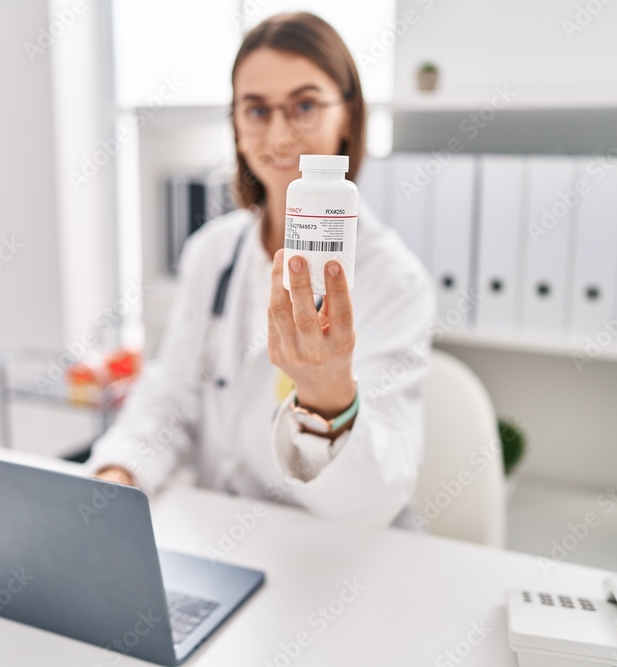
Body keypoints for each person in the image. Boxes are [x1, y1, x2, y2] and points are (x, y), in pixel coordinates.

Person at [85, 12, 436, 530]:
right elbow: (171, 397)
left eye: (305, 105)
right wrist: (119, 471)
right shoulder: (212, 254)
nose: (278, 134)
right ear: (235, 123)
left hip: (330, 562)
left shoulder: (394, 280)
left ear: (349, 117)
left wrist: (327, 394)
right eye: (255, 109)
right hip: (222, 542)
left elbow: (377, 496)